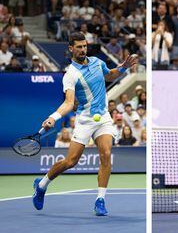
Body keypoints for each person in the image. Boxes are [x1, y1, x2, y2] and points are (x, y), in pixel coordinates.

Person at [32, 32, 137, 216]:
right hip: (85, 120)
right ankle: (41, 185)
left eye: (84, 46)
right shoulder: (70, 75)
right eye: (79, 47)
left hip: (103, 117)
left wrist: (122, 68)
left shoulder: (97, 61)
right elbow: (69, 103)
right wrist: (53, 117)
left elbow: (110, 75)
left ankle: (100, 200)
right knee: (71, 161)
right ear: (71, 48)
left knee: (106, 154)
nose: (82, 50)